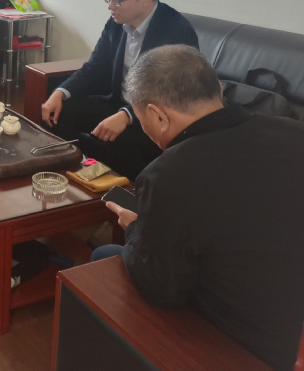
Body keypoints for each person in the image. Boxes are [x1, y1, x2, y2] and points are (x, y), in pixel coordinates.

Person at [93, 45, 304, 371]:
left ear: (158, 115)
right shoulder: (294, 133)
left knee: (103, 258)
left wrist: (135, 228)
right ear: (217, 89)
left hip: (236, 341)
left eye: (141, 118)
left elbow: (162, 289)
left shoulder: (169, 175)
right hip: (288, 324)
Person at [41, 0, 198, 180]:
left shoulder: (176, 31)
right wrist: (59, 93)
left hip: (154, 116)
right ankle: (75, 177)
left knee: (120, 141)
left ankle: (118, 191)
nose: (110, 6)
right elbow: (95, 67)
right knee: (59, 113)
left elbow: (170, 92)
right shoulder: (116, 24)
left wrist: (127, 115)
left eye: (117, 0)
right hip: (117, 102)